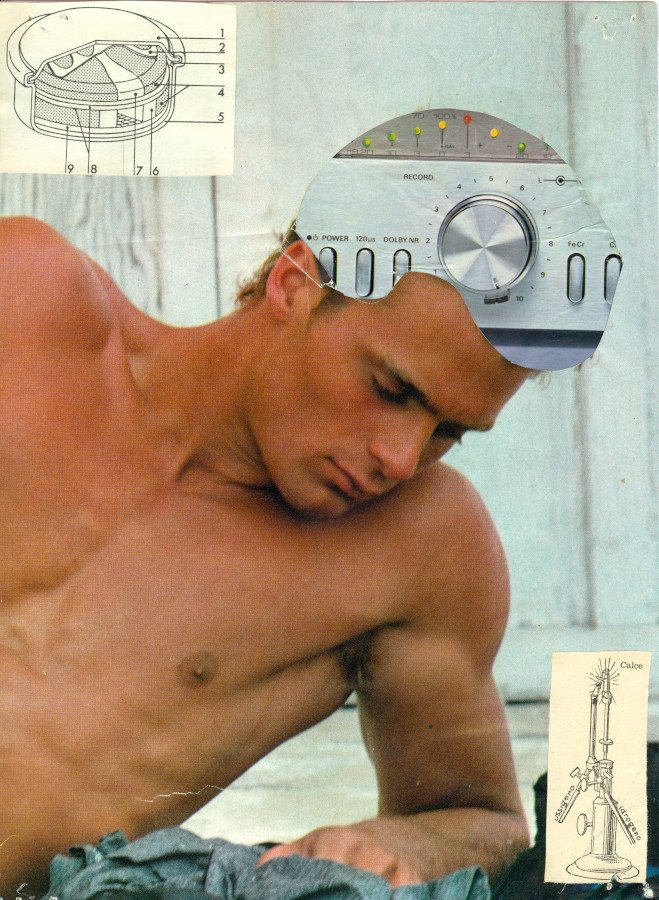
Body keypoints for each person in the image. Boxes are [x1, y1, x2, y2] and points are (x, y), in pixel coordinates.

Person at [0, 215, 532, 896]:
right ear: (294, 282)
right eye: (391, 390)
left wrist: (395, 845)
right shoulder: (26, 302)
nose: (400, 459)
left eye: (448, 430)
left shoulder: (416, 545)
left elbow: (487, 821)